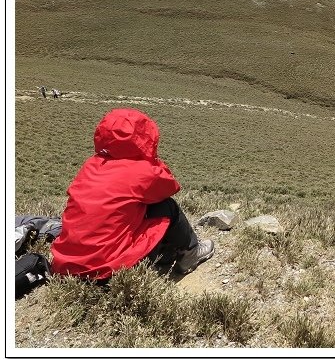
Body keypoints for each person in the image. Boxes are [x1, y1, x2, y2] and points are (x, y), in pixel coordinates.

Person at [50, 108, 214, 281]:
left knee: (131, 209)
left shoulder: (90, 165)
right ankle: (191, 254)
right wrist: (151, 160)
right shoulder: (142, 172)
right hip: (105, 270)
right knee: (166, 206)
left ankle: (165, 253)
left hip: (65, 266)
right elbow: (170, 186)